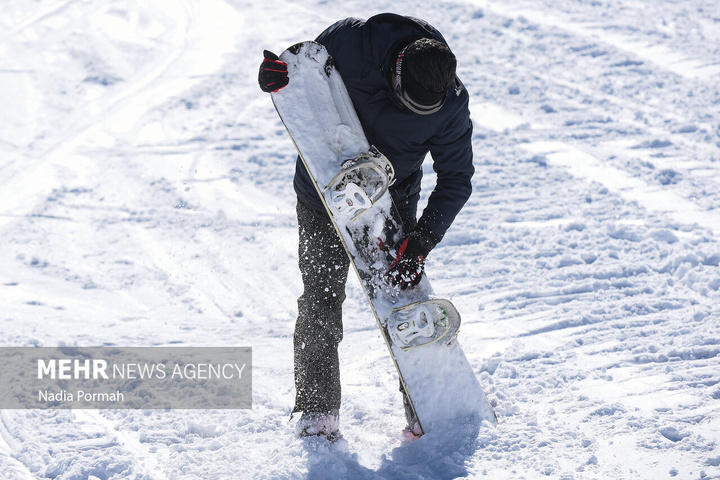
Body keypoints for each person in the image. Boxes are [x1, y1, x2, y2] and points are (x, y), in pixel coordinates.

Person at [258, 13, 474, 441]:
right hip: (323, 194)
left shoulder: (449, 102)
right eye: (408, 102)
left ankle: (424, 404)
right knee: (321, 298)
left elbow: (456, 179)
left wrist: (421, 242)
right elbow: (305, 80)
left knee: (405, 304)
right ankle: (316, 411)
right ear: (396, 74)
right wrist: (278, 78)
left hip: (390, 205)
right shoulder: (352, 43)